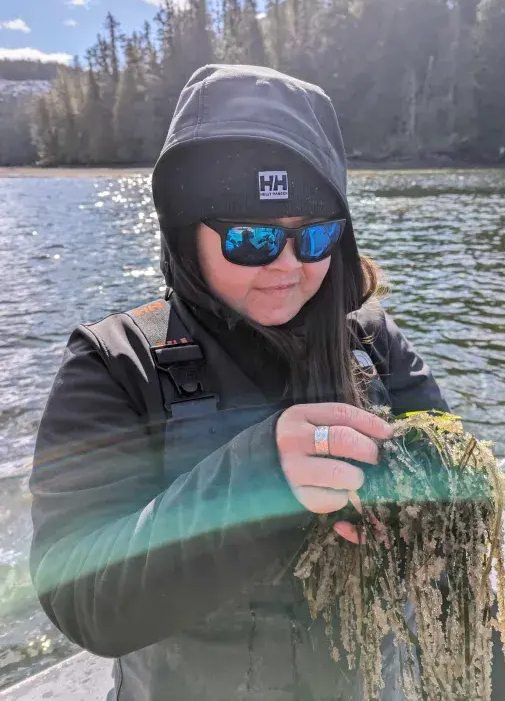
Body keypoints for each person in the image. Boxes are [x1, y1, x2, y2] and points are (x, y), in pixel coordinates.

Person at [29, 64, 450, 701]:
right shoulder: (113, 365)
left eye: (313, 235)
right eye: (249, 239)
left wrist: (417, 511)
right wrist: (258, 479)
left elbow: (454, 476)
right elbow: (81, 597)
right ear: (183, 233)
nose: (287, 266)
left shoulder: (374, 342)